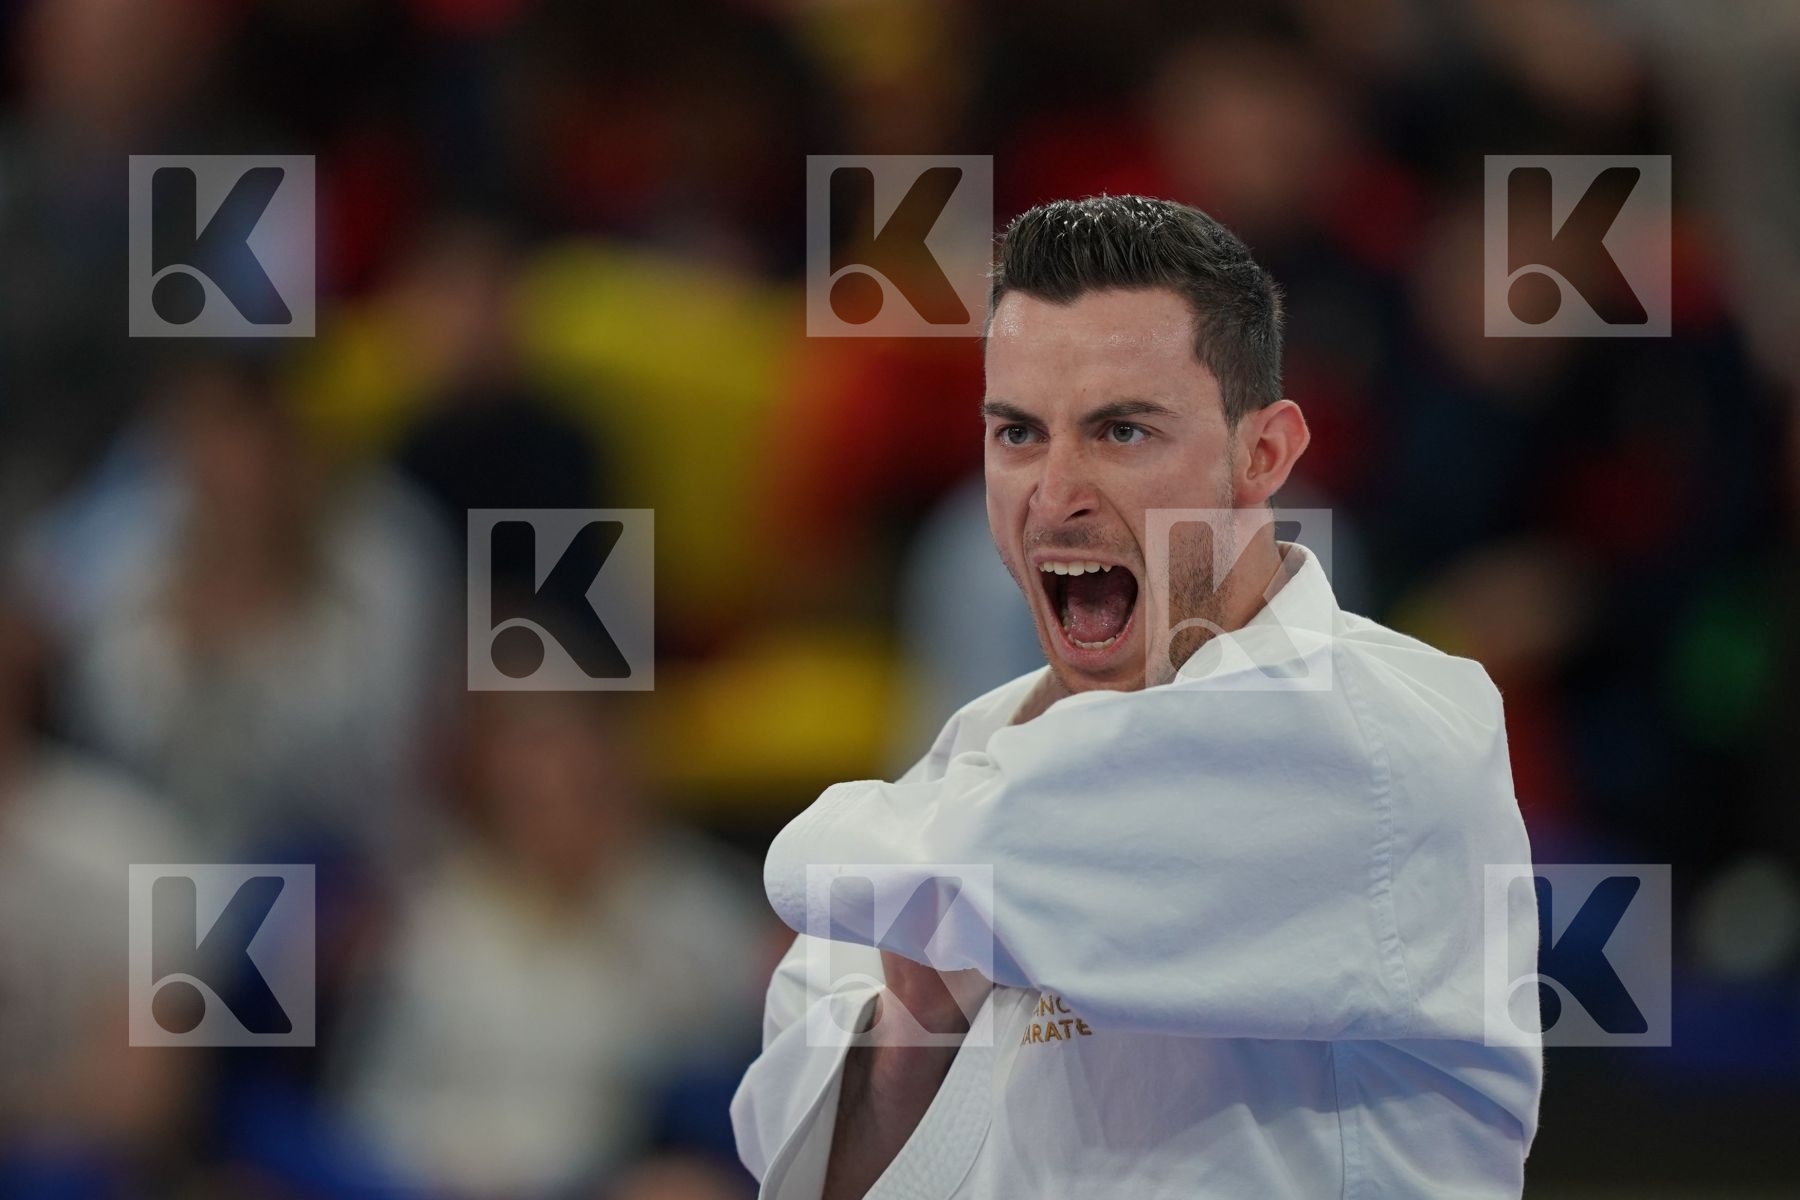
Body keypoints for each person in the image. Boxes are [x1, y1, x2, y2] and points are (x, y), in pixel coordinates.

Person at [731, 195, 1542, 1199]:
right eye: (1018, 433)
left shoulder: (1387, 730)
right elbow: (799, 1165)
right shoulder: (975, 750)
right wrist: (919, 1031)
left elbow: (811, 869)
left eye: (1122, 430)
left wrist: (919, 871)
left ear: (1265, 455)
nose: (1056, 490)